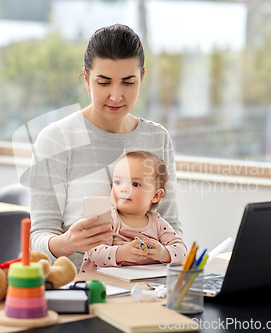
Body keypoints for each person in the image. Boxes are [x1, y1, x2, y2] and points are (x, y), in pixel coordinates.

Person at [30, 24, 182, 269]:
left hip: (148, 286)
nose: (116, 96)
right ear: (87, 80)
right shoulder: (56, 139)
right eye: (104, 82)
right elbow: (37, 239)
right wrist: (66, 243)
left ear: (142, 78)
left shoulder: (157, 138)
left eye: (128, 82)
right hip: (80, 285)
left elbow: (172, 227)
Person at [80, 151, 187, 272]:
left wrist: (163, 253)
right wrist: (122, 253)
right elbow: (94, 254)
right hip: (103, 284)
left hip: (140, 283)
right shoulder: (106, 217)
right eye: (118, 182)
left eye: (135, 184)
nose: (123, 189)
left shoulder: (158, 223)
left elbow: (182, 252)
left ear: (156, 195)